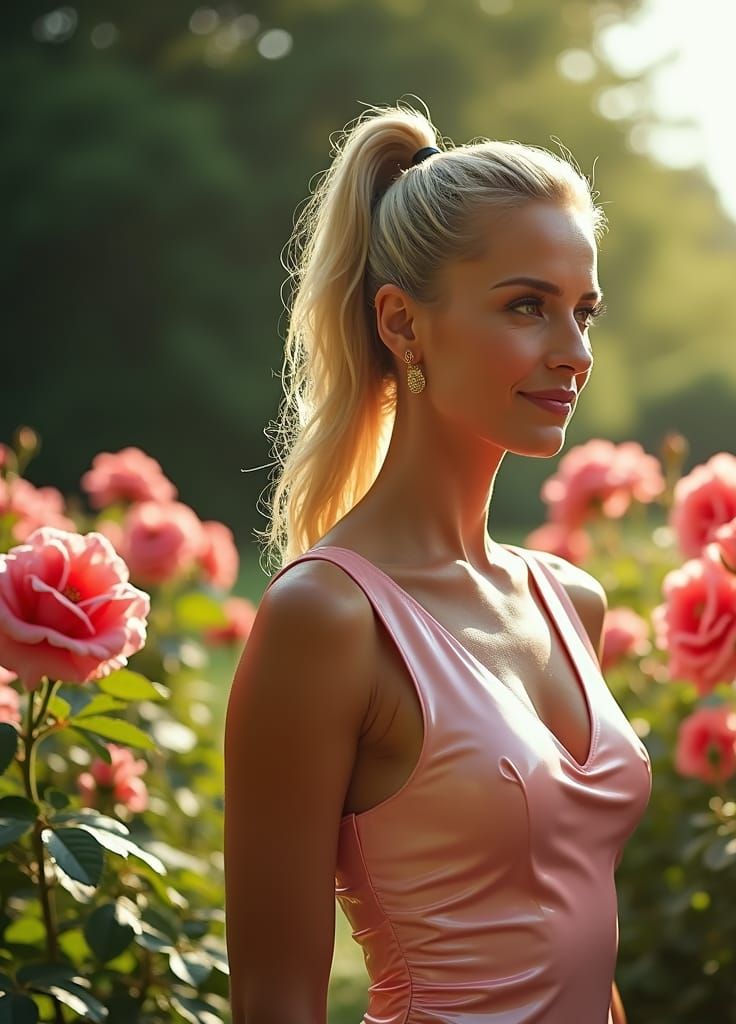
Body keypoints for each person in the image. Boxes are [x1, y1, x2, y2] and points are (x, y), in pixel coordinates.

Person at [222, 103, 652, 1024]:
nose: (574, 353)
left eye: (583, 312)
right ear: (402, 323)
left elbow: (574, 940)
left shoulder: (568, 601)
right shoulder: (328, 618)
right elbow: (271, 1000)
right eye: (527, 306)